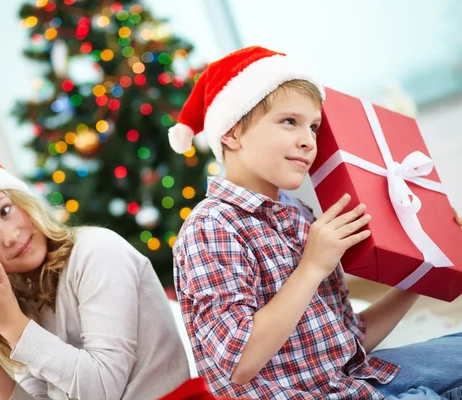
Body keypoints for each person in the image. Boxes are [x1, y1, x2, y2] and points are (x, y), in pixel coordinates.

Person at [168, 46, 462, 399]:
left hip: (355, 378)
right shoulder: (211, 228)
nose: (309, 141)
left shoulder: (298, 213)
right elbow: (239, 363)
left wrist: (423, 273)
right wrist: (311, 267)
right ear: (231, 132)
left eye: (314, 126)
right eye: (289, 121)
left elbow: (349, 341)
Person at [0, 138, 190, 400]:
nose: (11, 236)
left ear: (22, 201)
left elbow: (102, 390)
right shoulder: (21, 297)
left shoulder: (97, 252)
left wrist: (12, 324)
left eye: (5, 210)